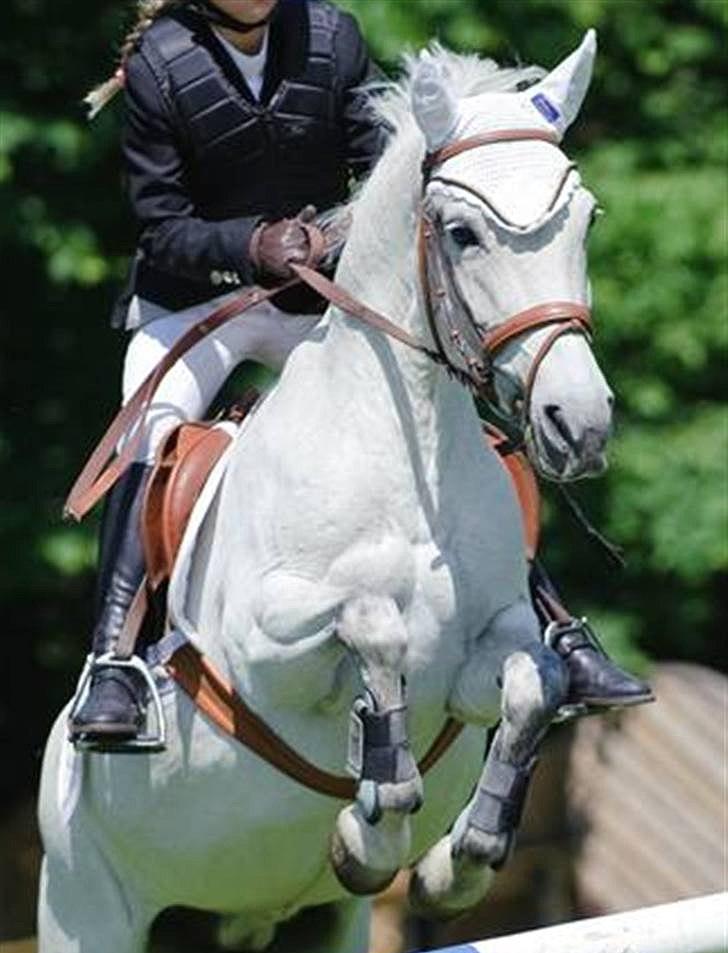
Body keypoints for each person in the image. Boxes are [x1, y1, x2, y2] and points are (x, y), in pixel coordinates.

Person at [69, 0, 650, 750]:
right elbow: (161, 224)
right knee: (150, 430)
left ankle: (556, 624)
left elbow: (386, 156)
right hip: (195, 299)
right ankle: (113, 662)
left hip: (318, 293)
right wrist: (254, 244)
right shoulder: (160, 63)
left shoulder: (331, 33)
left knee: (443, 406)